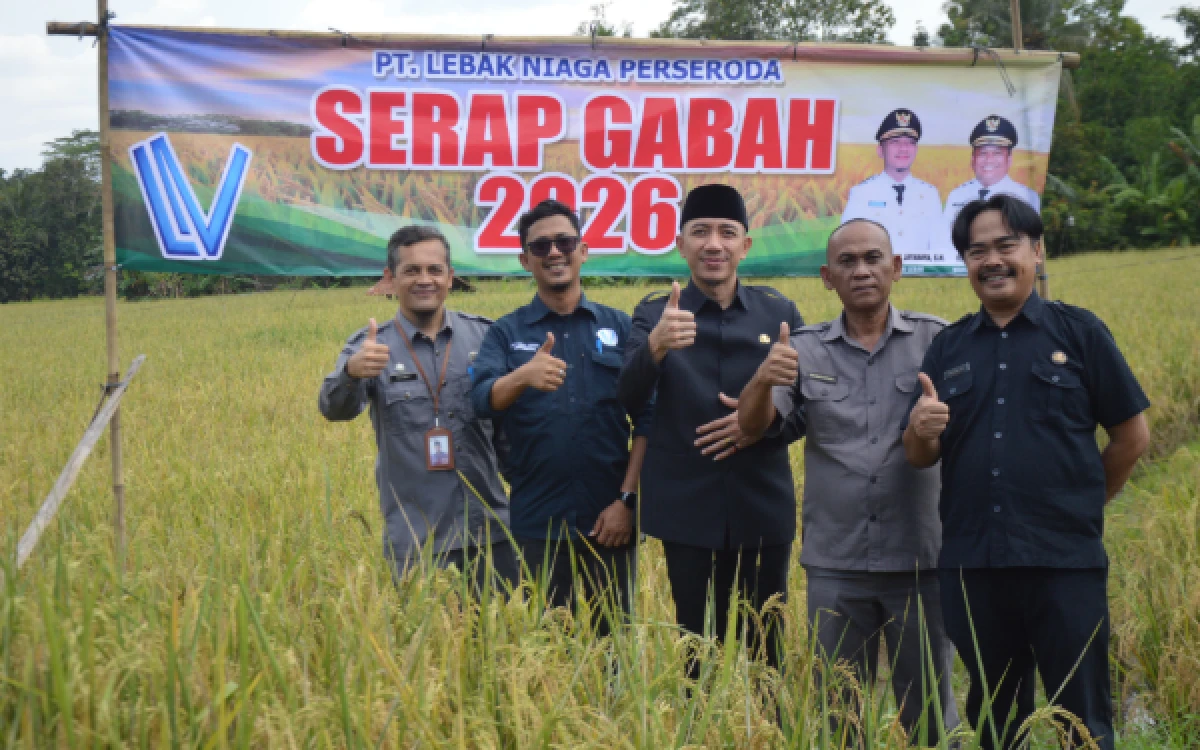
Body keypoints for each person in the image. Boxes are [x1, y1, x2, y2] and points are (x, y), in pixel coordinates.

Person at [904, 194, 1151, 750]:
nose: (992, 260)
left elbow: (1132, 437)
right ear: (965, 263)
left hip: (1064, 563)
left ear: (1036, 252)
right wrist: (920, 428)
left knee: (1081, 720)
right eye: (977, 251)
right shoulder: (948, 347)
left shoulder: (1080, 333)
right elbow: (919, 455)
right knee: (995, 719)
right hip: (975, 565)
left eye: (1006, 245)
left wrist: (1083, 505)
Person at [738, 218, 959, 745]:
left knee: (929, 714)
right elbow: (753, 426)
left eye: (873, 258)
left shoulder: (939, 340)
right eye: (847, 262)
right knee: (839, 715)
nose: (861, 271)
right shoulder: (804, 349)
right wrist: (762, 380)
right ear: (827, 277)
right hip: (836, 562)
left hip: (920, 560)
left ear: (896, 267)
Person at [618, 183, 805, 673]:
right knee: (696, 653)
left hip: (762, 507)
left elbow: (806, 406)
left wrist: (758, 427)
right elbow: (627, 398)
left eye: (727, 232)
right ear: (681, 245)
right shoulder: (655, 314)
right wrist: (656, 347)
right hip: (687, 512)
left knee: (766, 653)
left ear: (746, 245)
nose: (714, 244)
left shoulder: (779, 313)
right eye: (700, 232)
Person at [470, 199, 652, 634]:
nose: (554, 252)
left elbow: (648, 418)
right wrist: (522, 376)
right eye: (541, 246)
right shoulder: (506, 332)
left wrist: (627, 502)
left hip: (610, 518)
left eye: (564, 242)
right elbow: (480, 398)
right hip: (538, 519)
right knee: (549, 644)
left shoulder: (620, 327)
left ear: (583, 251)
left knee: (615, 642)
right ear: (525, 260)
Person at [319, 225, 518, 591]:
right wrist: (351, 373)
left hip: (492, 534)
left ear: (450, 277)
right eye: (411, 270)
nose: (424, 280)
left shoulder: (485, 337)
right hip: (417, 542)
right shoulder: (370, 346)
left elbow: (511, 435)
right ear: (390, 279)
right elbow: (333, 409)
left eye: (434, 270)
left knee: (504, 626)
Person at [841, 109, 943, 265]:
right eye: (895, 142)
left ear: (916, 150)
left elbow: (940, 246)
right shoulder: (862, 193)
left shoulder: (930, 194)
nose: (903, 149)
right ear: (880, 150)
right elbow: (848, 243)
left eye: (910, 142)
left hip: (921, 276)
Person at [941, 115, 1041, 264]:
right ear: (973, 159)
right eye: (982, 153)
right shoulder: (957, 195)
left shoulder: (1026, 196)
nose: (989, 159)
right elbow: (945, 240)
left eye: (997, 153)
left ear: (1009, 159)